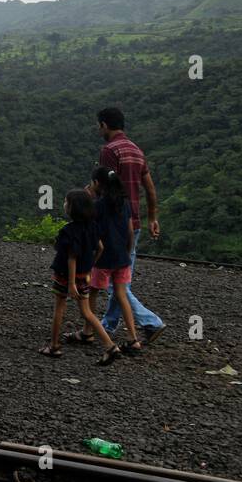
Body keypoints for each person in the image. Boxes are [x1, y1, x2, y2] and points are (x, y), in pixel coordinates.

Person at [95, 107, 166, 345]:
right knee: (121, 275)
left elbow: (103, 187)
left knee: (117, 281)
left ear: (104, 125)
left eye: (99, 125)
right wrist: (152, 217)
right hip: (133, 223)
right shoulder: (136, 150)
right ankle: (109, 325)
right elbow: (150, 188)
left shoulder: (109, 150)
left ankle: (151, 322)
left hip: (114, 224)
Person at [41, 189, 121, 365]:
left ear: (72, 208)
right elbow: (100, 248)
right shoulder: (93, 226)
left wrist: (70, 283)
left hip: (65, 277)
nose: (63, 204)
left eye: (65, 202)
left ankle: (54, 346)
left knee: (59, 308)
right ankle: (110, 345)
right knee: (87, 312)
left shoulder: (68, 231)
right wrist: (89, 267)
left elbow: (71, 258)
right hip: (83, 276)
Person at [79, 166, 143, 355]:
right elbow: (130, 232)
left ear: (97, 184)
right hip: (122, 259)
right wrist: (127, 254)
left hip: (103, 260)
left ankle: (87, 332)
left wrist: (87, 198)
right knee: (121, 295)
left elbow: (90, 231)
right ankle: (133, 340)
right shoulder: (124, 203)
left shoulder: (98, 206)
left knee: (92, 294)